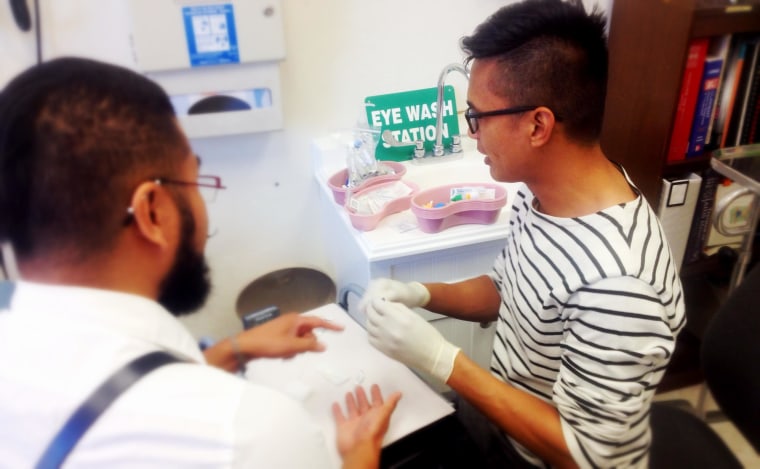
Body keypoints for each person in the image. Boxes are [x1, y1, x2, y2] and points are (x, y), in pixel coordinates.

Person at [0, 56, 400, 468]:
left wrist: (233, 350)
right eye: (195, 181)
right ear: (153, 212)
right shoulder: (245, 436)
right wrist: (358, 456)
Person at [359, 1, 686, 468]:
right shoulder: (545, 196)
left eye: (477, 116)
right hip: (500, 419)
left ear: (537, 125)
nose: (472, 133)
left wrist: (443, 362)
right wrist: (419, 293)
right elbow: (507, 290)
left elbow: (586, 456)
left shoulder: (620, 283)